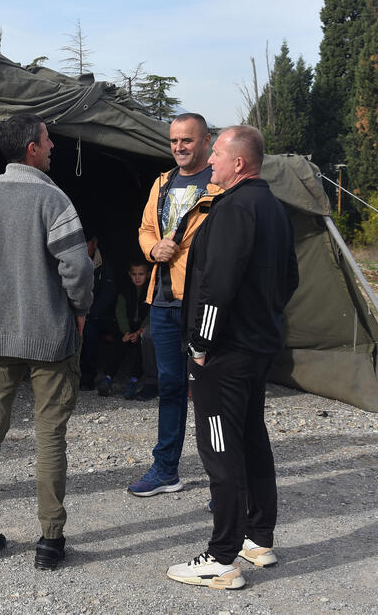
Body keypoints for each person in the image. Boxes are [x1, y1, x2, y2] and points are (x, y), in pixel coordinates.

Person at [0, 114, 93, 570]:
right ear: (32, 147)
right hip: (50, 337)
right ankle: (50, 542)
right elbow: (76, 268)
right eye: (49, 140)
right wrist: (80, 309)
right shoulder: (53, 199)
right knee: (50, 433)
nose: (53, 147)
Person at [166, 126, 298, 589]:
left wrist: (201, 346)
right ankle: (257, 538)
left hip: (223, 354)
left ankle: (221, 558)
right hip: (258, 348)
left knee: (219, 447)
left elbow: (215, 286)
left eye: (217, 154)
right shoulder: (275, 209)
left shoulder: (235, 208)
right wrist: (264, 320)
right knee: (251, 438)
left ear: (239, 163)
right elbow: (290, 280)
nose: (211, 161)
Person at [131, 112, 221, 497]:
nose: (179, 147)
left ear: (206, 142)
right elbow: (146, 228)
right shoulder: (162, 182)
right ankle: (166, 468)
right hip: (163, 300)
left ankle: (226, 478)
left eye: (187, 140)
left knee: (213, 388)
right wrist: (154, 248)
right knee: (170, 386)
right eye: (174, 141)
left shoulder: (221, 185)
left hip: (202, 302)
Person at [79, 231, 118, 395]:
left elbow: (108, 295)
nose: (81, 248)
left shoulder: (105, 264)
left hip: (97, 315)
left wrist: (88, 314)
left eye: (85, 243)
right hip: (75, 311)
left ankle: (88, 376)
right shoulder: (71, 260)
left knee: (89, 333)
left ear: (94, 242)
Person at [114, 262, 157, 400]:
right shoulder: (125, 291)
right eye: (134, 274)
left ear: (149, 275)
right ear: (129, 275)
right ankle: (107, 377)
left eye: (141, 274)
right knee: (119, 343)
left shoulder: (153, 291)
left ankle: (134, 380)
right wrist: (125, 332)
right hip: (127, 328)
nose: (137, 278)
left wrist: (140, 331)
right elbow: (120, 312)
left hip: (143, 328)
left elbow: (152, 313)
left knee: (142, 345)